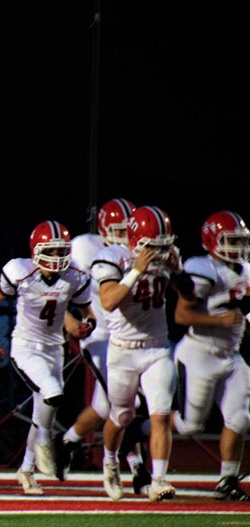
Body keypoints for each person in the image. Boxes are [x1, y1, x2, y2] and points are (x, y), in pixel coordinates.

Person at [0, 221, 93, 494]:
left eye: (60, 252)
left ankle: (26, 470)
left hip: (55, 348)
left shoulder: (75, 275)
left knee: (41, 412)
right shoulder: (20, 271)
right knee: (53, 392)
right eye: (51, 252)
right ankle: (45, 443)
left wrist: (85, 325)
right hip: (26, 347)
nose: (56, 259)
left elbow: (87, 311)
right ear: (36, 250)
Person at [92, 205, 190, 501]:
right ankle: (110, 462)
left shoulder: (166, 257)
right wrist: (136, 270)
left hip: (157, 348)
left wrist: (178, 271)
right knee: (121, 417)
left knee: (160, 416)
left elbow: (190, 295)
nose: (158, 251)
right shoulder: (111, 258)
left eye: (163, 244)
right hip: (123, 350)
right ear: (136, 241)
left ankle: (159, 480)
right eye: (152, 245)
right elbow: (108, 301)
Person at [56, 198, 153, 487]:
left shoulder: (140, 250)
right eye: (117, 229)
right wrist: (68, 320)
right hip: (99, 333)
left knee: (103, 407)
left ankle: (67, 441)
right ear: (102, 229)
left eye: (127, 229)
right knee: (124, 402)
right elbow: (61, 285)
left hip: (130, 335)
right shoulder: (86, 247)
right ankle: (137, 468)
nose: (123, 235)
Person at [173, 210, 250, 501]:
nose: (238, 247)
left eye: (241, 240)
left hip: (231, 355)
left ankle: (227, 479)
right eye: (231, 240)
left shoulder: (246, 269)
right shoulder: (202, 268)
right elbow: (181, 314)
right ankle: (145, 425)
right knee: (190, 425)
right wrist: (220, 321)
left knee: (239, 418)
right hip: (199, 353)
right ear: (210, 240)